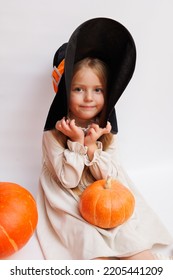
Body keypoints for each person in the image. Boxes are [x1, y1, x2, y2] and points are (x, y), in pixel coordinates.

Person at [37, 18, 173, 260]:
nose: (88, 98)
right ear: (65, 92)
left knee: (125, 231)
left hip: (104, 190)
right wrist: (77, 142)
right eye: (79, 89)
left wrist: (91, 147)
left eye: (97, 90)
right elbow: (68, 180)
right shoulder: (55, 132)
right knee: (87, 238)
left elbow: (111, 178)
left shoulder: (106, 128)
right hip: (67, 195)